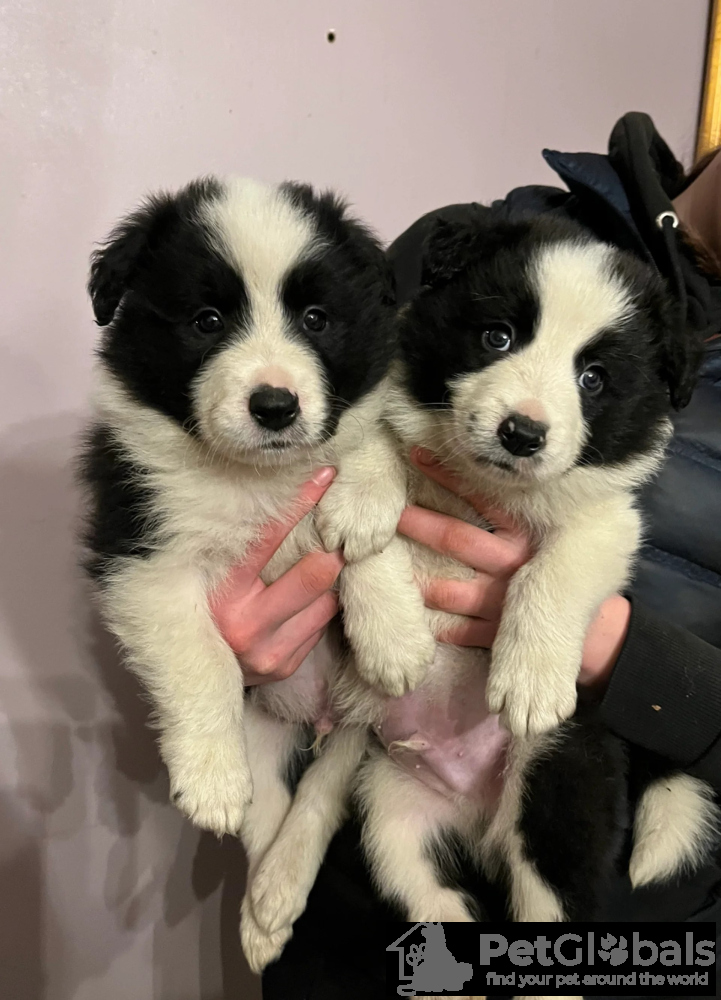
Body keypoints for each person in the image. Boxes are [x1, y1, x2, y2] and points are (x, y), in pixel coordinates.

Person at [212, 113, 721, 1000]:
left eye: (591, 377)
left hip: (637, 939)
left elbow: (598, 534)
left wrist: (619, 652)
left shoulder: (626, 414)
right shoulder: (471, 241)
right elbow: (318, 428)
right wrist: (229, 635)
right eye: (498, 339)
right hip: (362, 911)